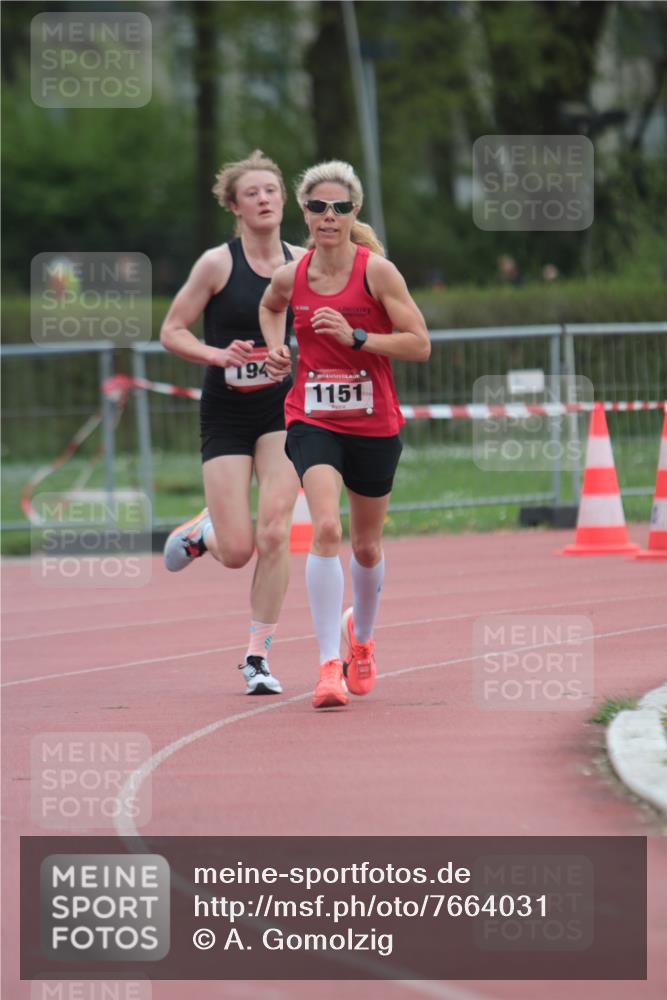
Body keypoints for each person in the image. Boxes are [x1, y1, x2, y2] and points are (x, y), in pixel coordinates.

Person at [259, 160, 430, 710]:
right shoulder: (292, 275)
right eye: (316, 207)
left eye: (338, 207)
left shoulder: (377, 272)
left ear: (354, 212)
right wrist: (275, 348)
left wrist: (359, 337)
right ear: (304, 213)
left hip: (374, 422)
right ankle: (327, 665)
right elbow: (270, 306)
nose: (327, 216)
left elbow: (419, 343)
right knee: (325, 527)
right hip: (312, 417)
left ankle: (363, 641)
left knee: (366, 543)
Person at [160, 150, 306, 695]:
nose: (264, 198)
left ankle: (257, 656)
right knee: (239, 550)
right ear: (235, 207)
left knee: (275, 533)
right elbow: (172, 330)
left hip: (283, 413)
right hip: (226, 413)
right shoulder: (217, 264)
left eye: (272, 190)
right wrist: (218, 356)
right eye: (253, 193)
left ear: (284, 200)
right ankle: (204, 531)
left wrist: (291, 355)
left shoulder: (305, 261)